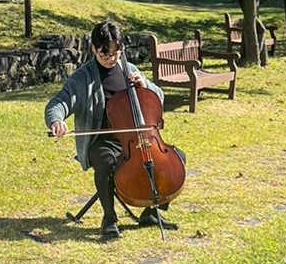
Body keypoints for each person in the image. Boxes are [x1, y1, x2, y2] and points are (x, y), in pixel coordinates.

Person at [45, 20, 184, 239]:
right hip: (101, 142)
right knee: (106, 162)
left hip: (136, 139)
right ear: (93, 49)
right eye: (105, 54)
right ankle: (109, 219)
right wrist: (56, 121)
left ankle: (151, 213)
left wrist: (145, 85)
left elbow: (159, 96)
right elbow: (59, 103)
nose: (112, 59)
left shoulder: (129, 69)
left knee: (176, 159)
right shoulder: (83, 78)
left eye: (117, 53)